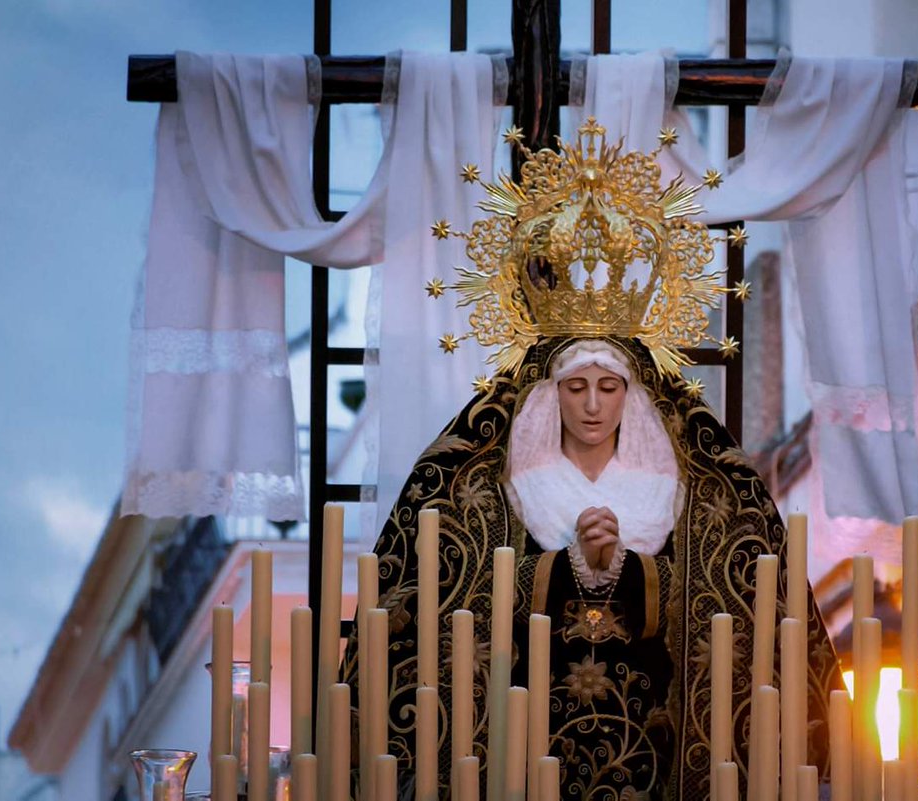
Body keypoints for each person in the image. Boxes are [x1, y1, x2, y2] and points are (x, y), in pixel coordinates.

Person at [340, 335, 845, 800]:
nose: (592, 405)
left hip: (660, 746)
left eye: (608, 387)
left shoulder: (692, 490)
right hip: (519, 742)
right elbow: (449, 593)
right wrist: (565, 567)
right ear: (551, 394)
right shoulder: (490, 485)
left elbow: (730, 593)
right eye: (576, 387)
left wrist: (627, 571)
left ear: (631, 394)